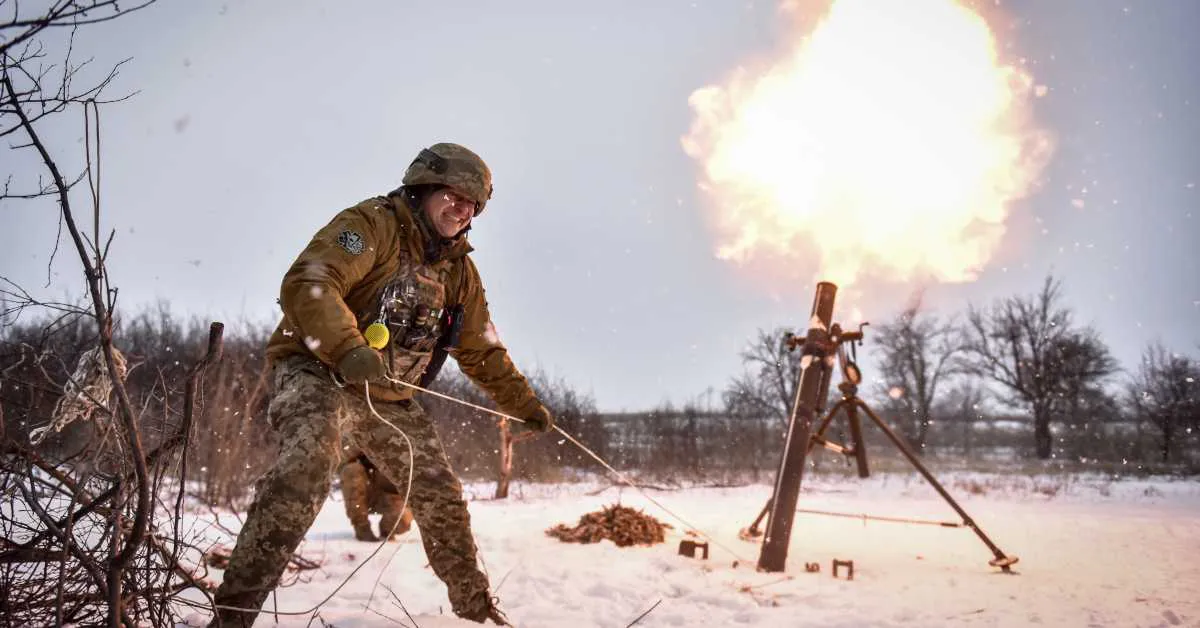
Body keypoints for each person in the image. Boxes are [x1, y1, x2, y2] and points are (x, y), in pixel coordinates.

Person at [209, 143, 554, 627]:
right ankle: (232, 616)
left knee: (440, 494)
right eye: (453, 196)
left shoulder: (460, 272)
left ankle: (476, 613)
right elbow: (310, 282)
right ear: (424, 187)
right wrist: (347, 347)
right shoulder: (370, 226)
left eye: (472, 204)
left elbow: (481, 349)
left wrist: (523, 403)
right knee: (309, 464)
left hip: (388, 397)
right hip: (317, 370)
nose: (462, 210)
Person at [339, 448, 414, 542]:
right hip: (367, 489)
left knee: (404, 514)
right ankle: (362, 527)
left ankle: (387, 529)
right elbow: (345, 451)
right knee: (352, 470)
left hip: (386, 496)